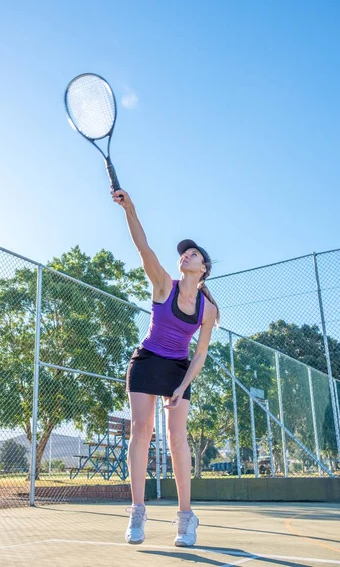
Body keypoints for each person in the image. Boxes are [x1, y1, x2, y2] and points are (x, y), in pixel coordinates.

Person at [112, 189, 219, 547]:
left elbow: (200, 353)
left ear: (203, 268)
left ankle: (186, 518)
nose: (185, 255)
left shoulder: (208, 308)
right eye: (184, 253)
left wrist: (181, 385)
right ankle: (137, 511)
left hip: (178, 367)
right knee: (141, 431)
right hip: (147, 360)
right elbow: (144, 248)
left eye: (193, 253)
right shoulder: (162, 284)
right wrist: (131, 210)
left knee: (176, 438)